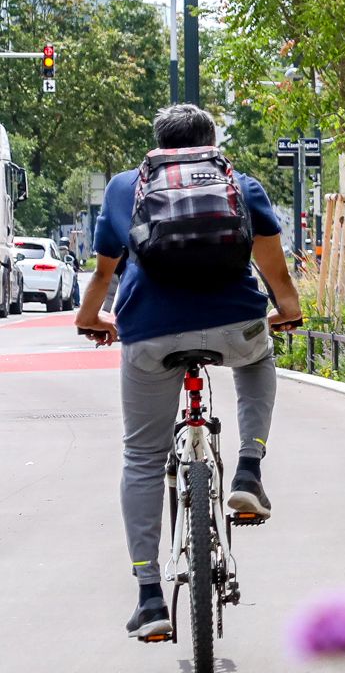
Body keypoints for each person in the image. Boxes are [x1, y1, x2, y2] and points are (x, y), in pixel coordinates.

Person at [76, 104, 303, 642]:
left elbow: (104, 271)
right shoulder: (239, 184)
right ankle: (249, 468)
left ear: (157, 143)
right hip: (234, 324)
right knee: (256, 355)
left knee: (142, 456)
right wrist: (287, 311)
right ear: (210, 143)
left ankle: (150, 594)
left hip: (149, 334)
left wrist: (92, 320)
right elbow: (275, 270)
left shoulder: (124, 188)